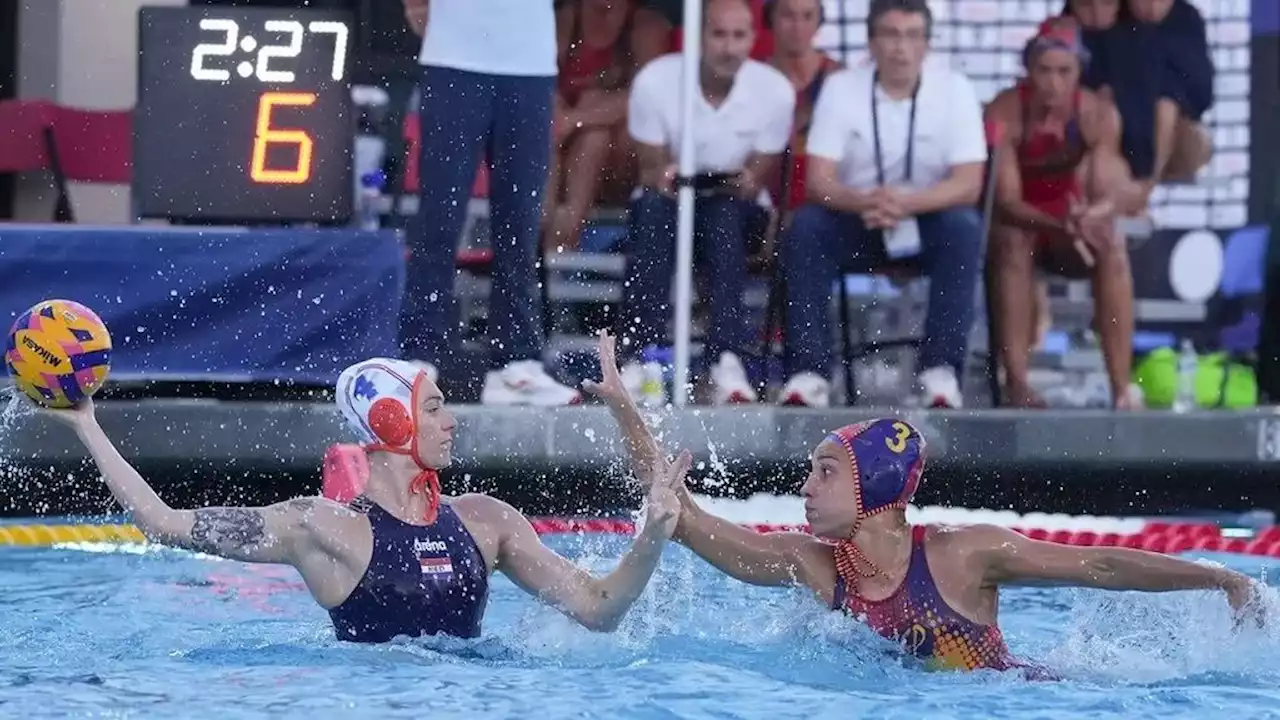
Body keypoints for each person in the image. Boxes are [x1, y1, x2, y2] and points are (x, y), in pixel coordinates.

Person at [584, 330, 1262, 672]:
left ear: (873, 489)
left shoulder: (965, 555)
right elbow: (688, 519)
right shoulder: (820, 565)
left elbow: (1102, 567)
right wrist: (624, 412)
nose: (803, 487)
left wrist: (1219, 577)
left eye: (823, 471)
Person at [40, 356, 690, 643]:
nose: (451, 421)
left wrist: (655, 533)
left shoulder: (488, 520)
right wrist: (87, 424)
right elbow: (162, 525)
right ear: (389, 423)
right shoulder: (319, 528)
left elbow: (600, 610)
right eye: (433, 408)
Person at [777, 0, 987, 410]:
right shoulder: (842, 87)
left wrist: (907, 204)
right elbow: (819, 181)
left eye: (911, 36)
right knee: (806, 226)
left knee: (964, 226)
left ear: (927, 44)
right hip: (858, 218)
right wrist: (865, 201)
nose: (900, 48)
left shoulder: (955, 89)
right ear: (871, 43)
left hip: (926, 221)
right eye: (890, 35)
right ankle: (809, 373)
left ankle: (940, 372)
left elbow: (969, 182)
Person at [399, 0, 582, 407]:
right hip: (453, 55)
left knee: (520, 223)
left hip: (529, 61)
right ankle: (419, 353)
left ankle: (516, 362)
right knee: (439, 217)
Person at [618, 0, 795, 406]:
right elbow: (650, 169)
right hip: (667, 206)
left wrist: (732, 182)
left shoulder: (773, 90)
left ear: (753, 38)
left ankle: (725, 359)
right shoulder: (656, 81)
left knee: (723, 215)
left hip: (736, 213)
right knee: (654, 210)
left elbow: (756, 176)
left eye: (739, 36)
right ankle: (642, 355)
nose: (729, 47)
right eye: (719, 34)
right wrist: (667, 175)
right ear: (698, 36)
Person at [984, 17, 1146, 409]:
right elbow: (1006, 201)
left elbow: (1109, 186)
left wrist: (1093, 216)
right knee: (1011, 243)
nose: (1054, 83)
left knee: (1112, 247)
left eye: (1064, 72)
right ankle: (1018, 383)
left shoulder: (1097, 114)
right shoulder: (1006, 111)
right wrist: (1060, 224)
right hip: (1027, 224)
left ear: (1078, 72)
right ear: (1028, 70)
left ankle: (1121, 387)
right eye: (1044, 71)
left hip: (1074, 223)